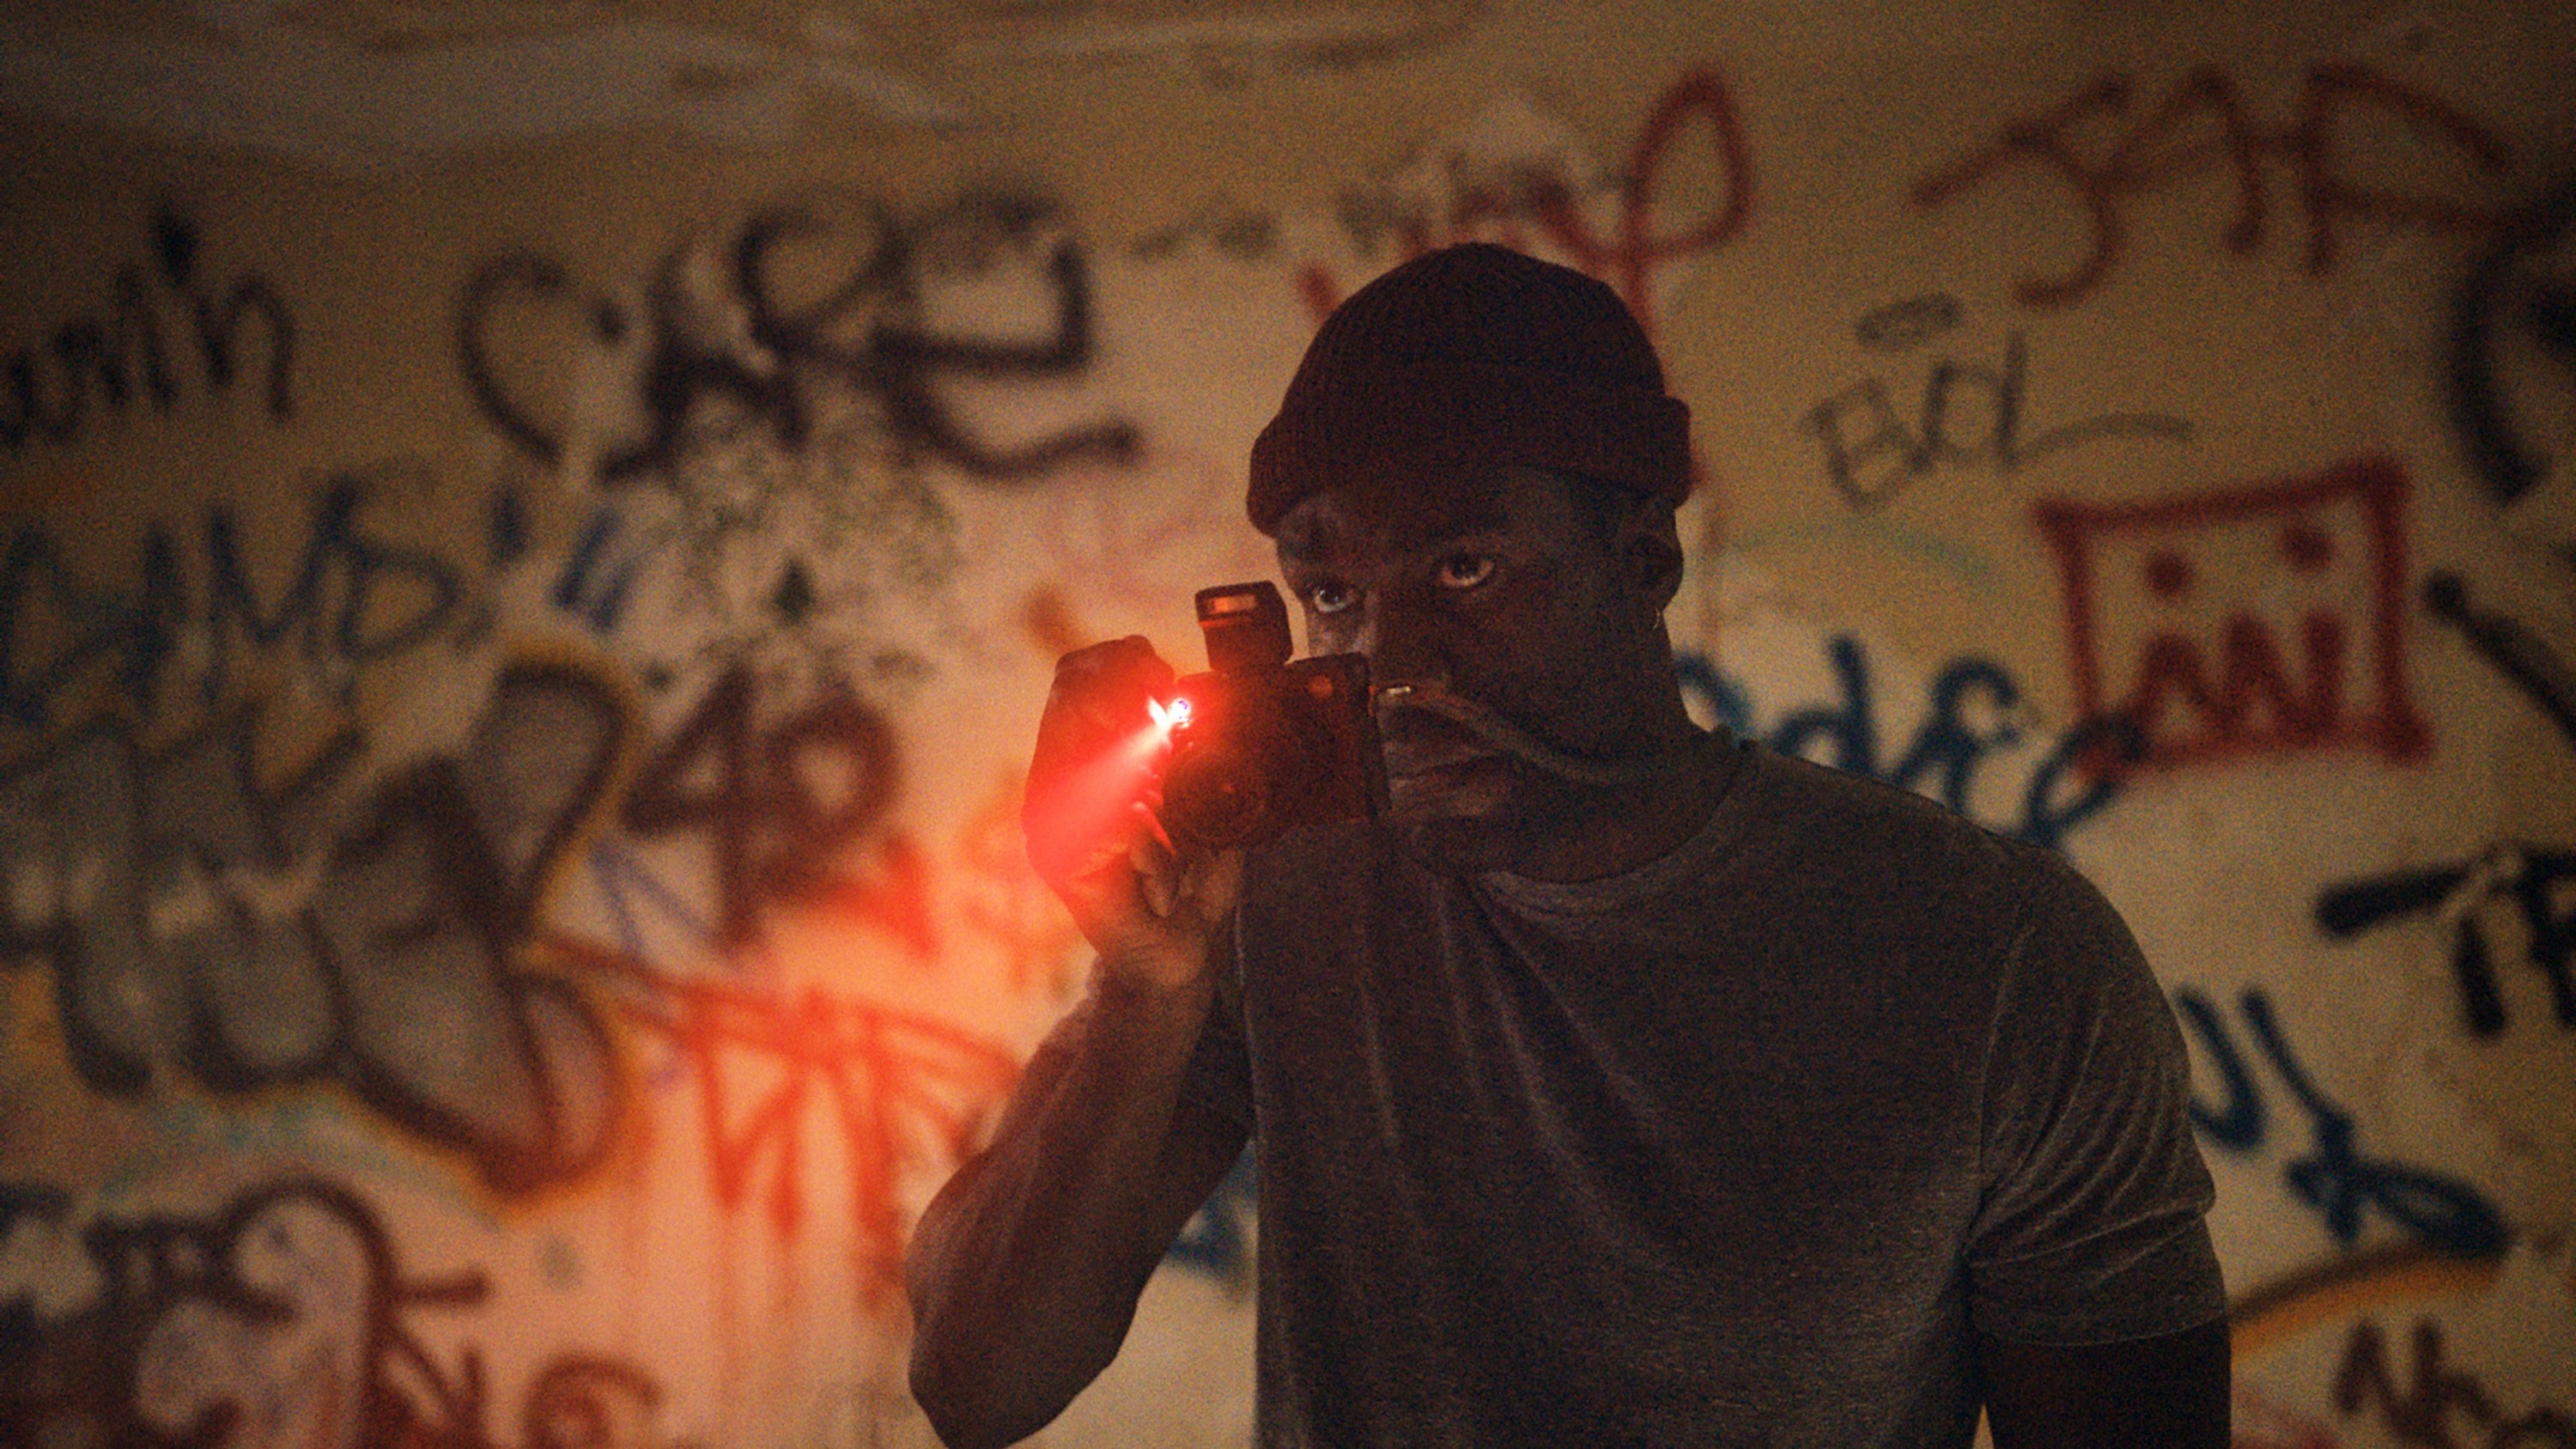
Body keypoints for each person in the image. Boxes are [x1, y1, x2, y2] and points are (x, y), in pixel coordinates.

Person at [905, 243, 2229, 1448]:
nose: (1393, 665)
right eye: (1331, 597)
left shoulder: (1991, 955)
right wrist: (1146, 991)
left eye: (1466, 570)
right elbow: (977, 1386)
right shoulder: (1279, 900)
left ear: (1645, 561)